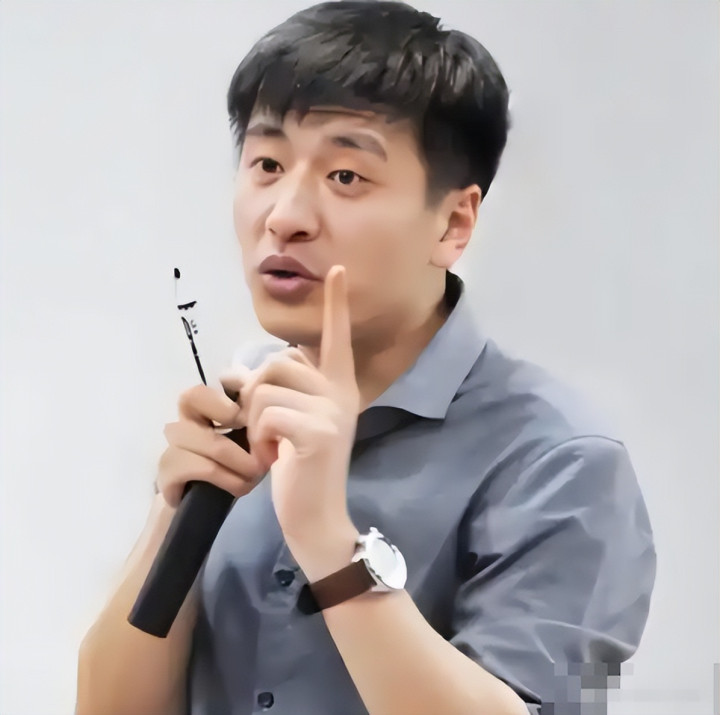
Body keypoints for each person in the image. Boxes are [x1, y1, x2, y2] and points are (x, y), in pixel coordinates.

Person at [76, 2, 657, 714]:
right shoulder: (246, 407)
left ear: (453, 223)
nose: (285, 216)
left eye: (346, 176)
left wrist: (330, 543)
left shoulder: (562, 461)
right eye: (267, 164)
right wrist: (175, 516)